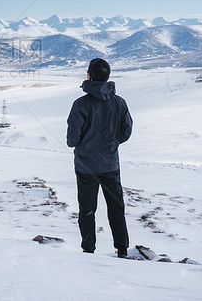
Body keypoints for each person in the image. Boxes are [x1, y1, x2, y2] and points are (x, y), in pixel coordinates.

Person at [66, 58, 133, 257]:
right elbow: (126, 131)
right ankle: (122, 249)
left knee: (87, 209)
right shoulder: (119, 102)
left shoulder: (81, 104)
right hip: (110, 164)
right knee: (116, 207)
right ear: (108, 77)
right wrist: (110, 144)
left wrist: (86, 145)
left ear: (89, 76)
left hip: (86, 166)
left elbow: (72, 139)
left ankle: (88, 250)